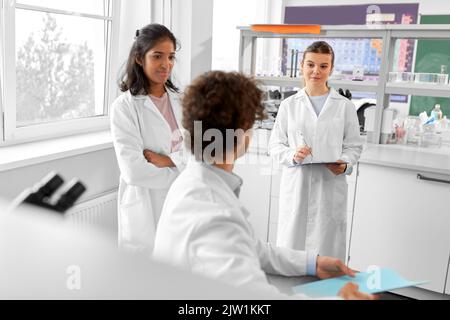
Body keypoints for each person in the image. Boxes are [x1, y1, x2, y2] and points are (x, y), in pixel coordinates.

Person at [153, 71, 374, 299]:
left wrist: (313, 263)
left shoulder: (194, 182)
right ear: (244, 134)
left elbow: (250, 246)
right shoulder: (214, 211)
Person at [268, 41, 363, 261]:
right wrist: (292, 155)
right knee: (292, 253)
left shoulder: (344, 106)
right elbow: (275, 146)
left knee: (326, 253)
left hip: (329, 185)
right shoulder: (289, 105)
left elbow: (354, 146)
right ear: (302, 65)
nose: (316, 71)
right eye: (310, 64)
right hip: (297, 185)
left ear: (331, 68)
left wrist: (345, 164)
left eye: (323, 66)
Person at [110, 24, 186, 254]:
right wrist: (183, 172)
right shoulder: (124, 108)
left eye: (171, 56)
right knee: (147, 281)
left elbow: (201, 153)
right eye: (157, 56)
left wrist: (168, 160)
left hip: (183, 204)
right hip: (146, 206)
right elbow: (134, 171)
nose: (166, 64)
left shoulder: (184, 101)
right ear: (139, 59)